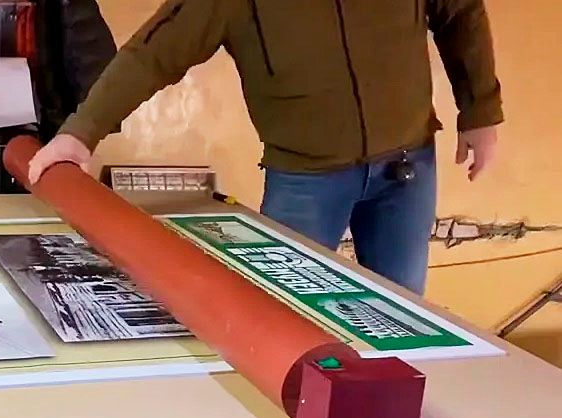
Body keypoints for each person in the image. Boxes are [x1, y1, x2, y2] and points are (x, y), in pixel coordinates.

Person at [27, 0, 503, 295]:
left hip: (407, 168)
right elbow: (153, 53)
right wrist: (80, 132)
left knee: (402, 315)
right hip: (305, 183)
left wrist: (480, 111)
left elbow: (461, 14)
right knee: (285, 318)